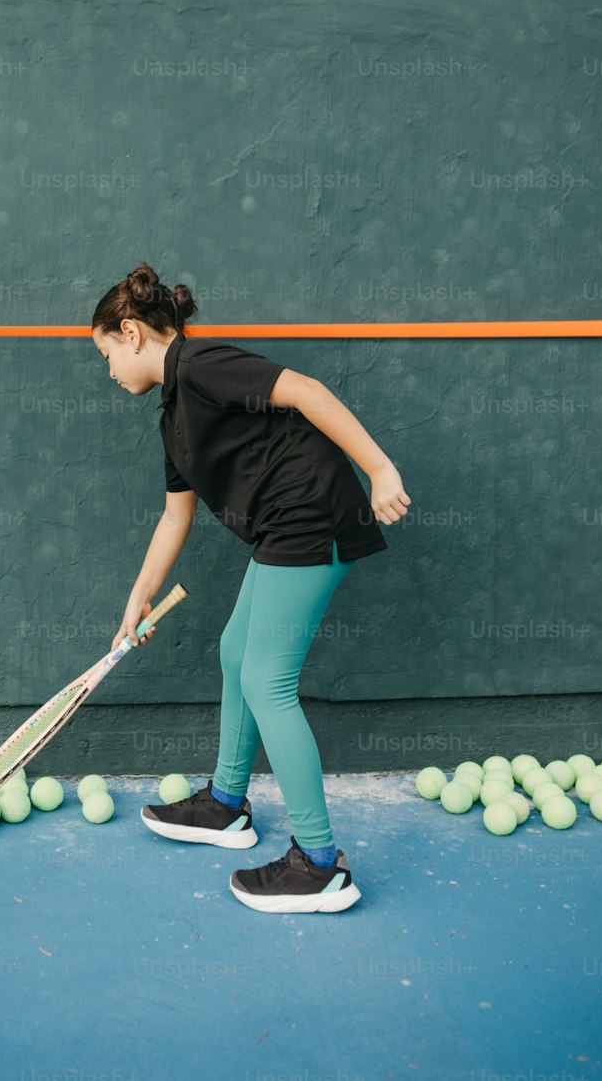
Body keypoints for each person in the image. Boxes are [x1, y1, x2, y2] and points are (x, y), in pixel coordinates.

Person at [91, 262, 411, 914]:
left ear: (130, 332)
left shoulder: (202, 362)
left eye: (104, 354)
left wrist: (379, 469)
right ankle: (227, 806)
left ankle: (321, 865)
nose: (109, 371)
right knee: (238, 653)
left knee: (268, 679)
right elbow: (174, 516)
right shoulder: (172, 417)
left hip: (313, 515)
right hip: (280, 530)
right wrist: (139, 595)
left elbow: (308, 392)